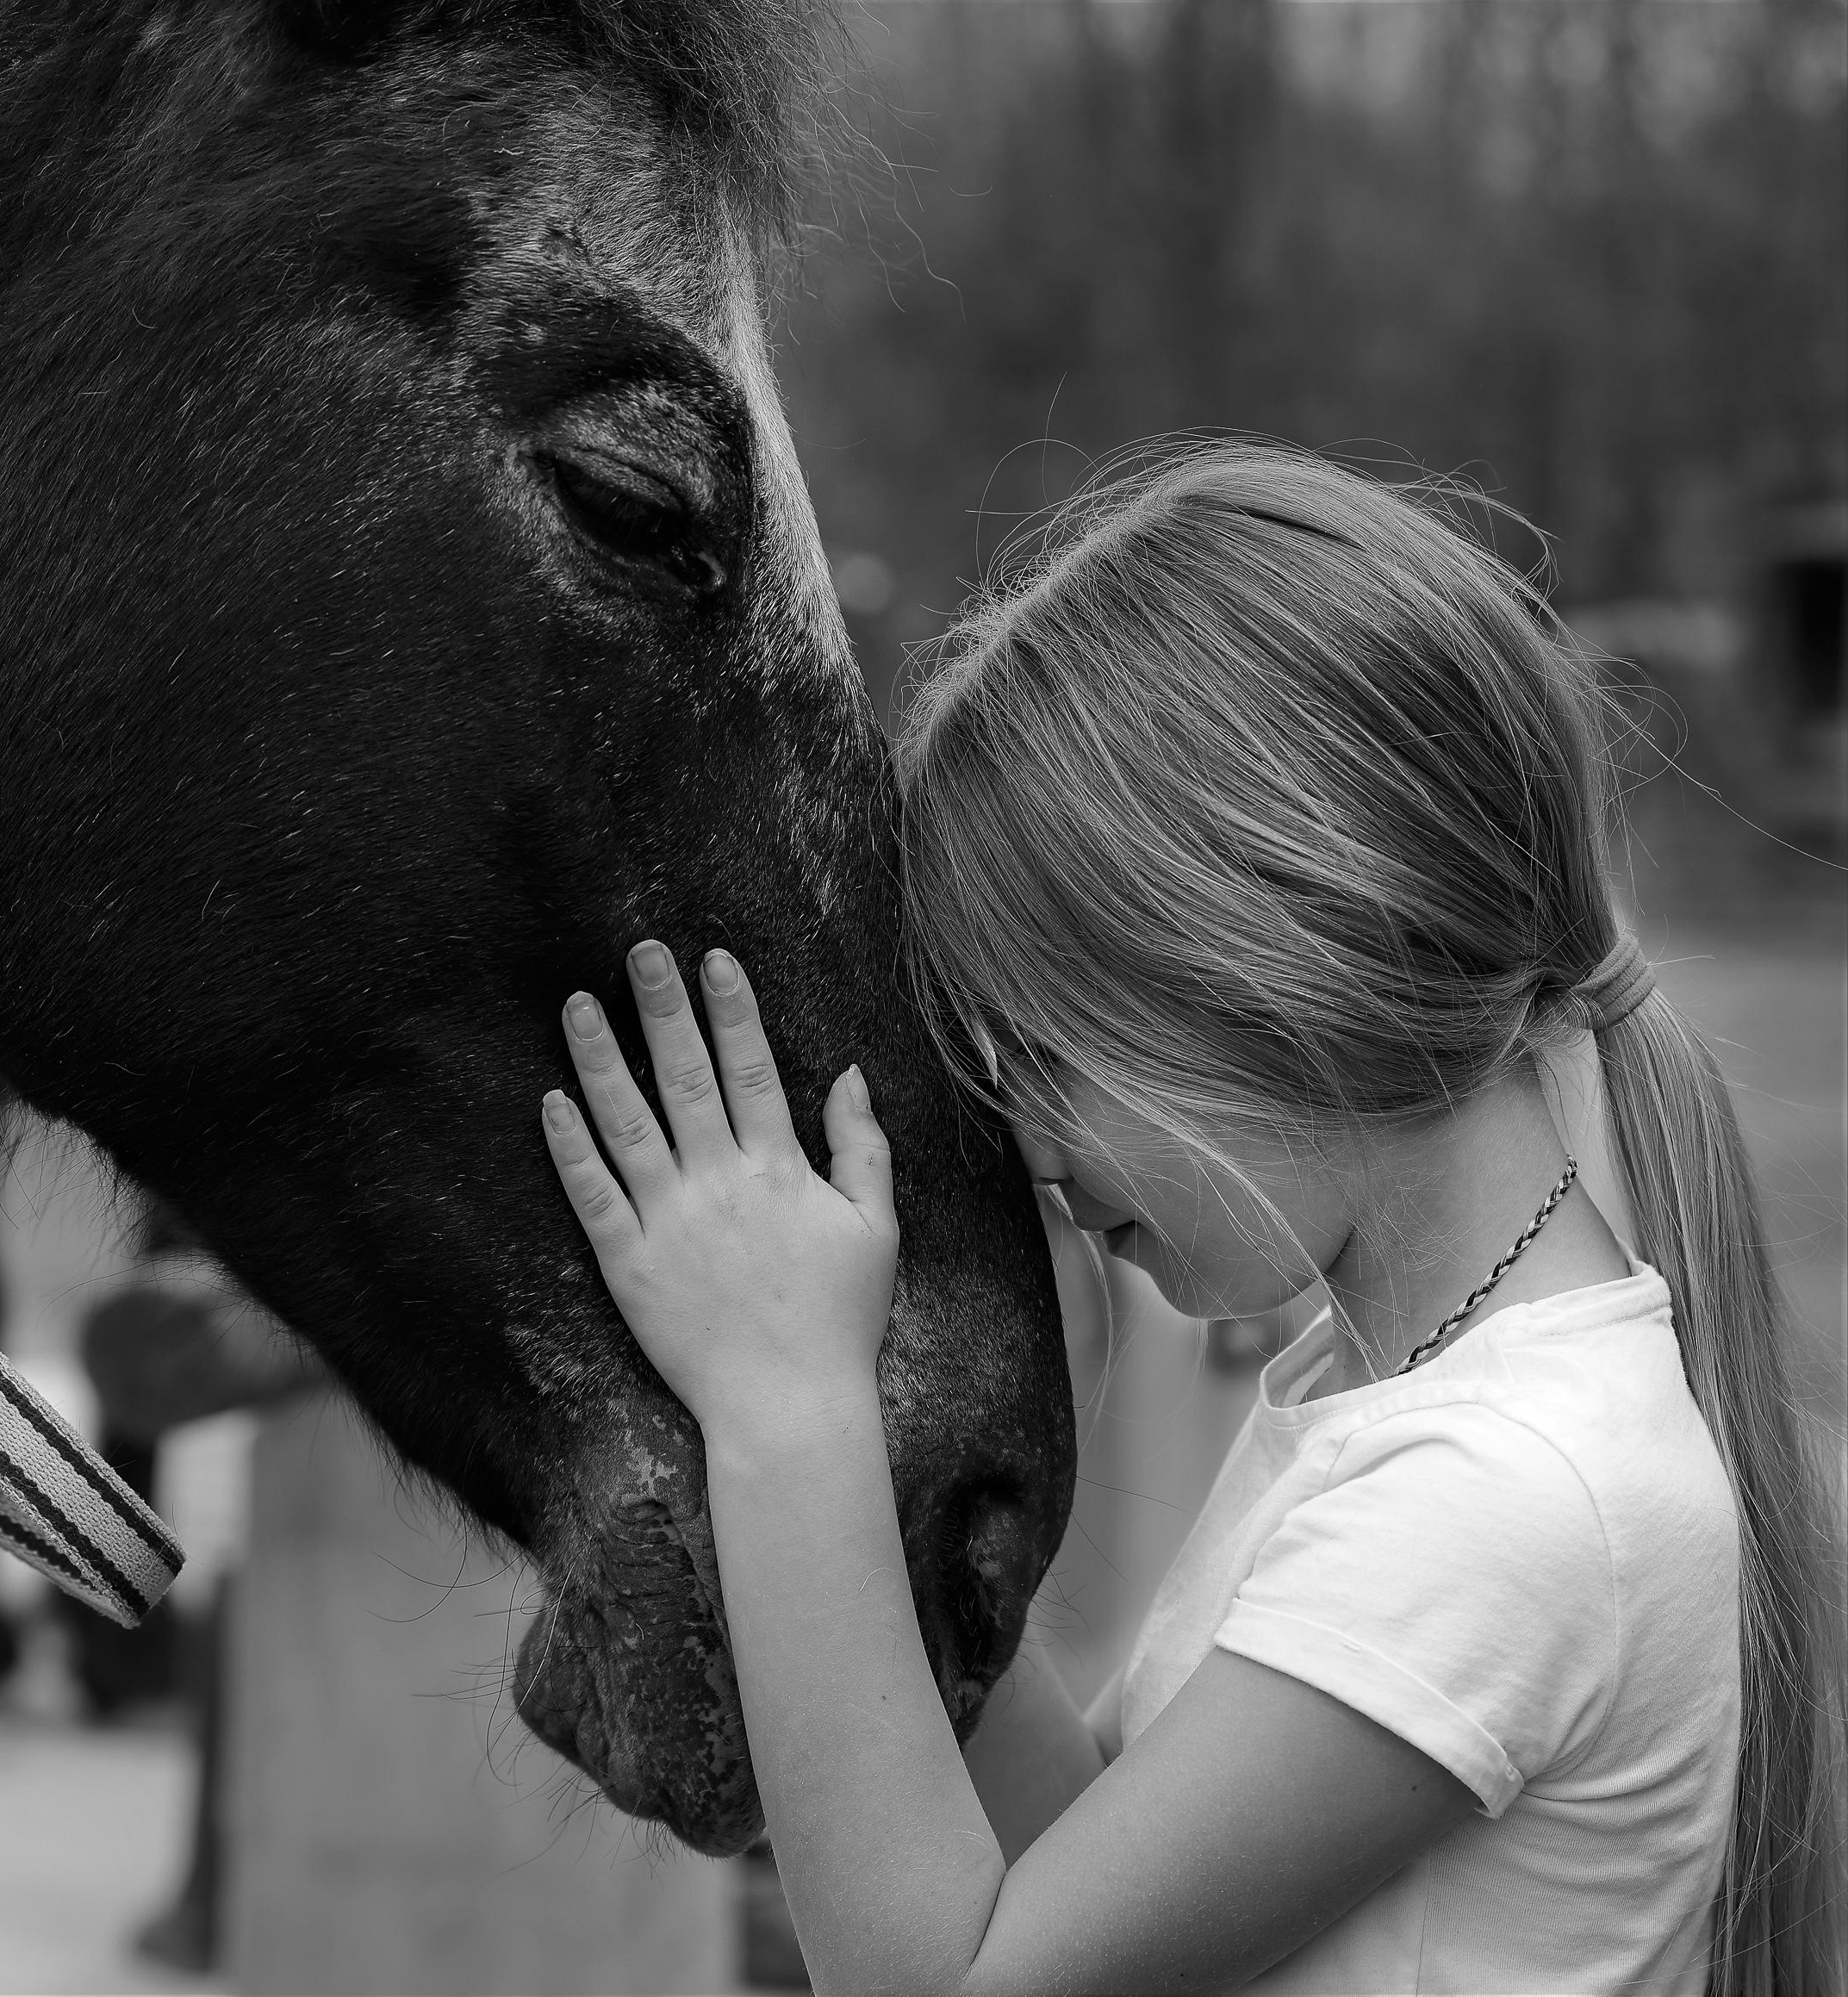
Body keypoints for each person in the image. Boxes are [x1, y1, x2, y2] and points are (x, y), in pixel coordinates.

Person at [532, 444, 1844, 1994]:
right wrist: (898, 1480)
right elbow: (1078, 1871)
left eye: (1045, 1054)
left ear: (1268, 949)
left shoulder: (1507, 1494)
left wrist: (786, 1410)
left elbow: (947, 1977)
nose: (1025, 1138)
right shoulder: (1386, 1404)